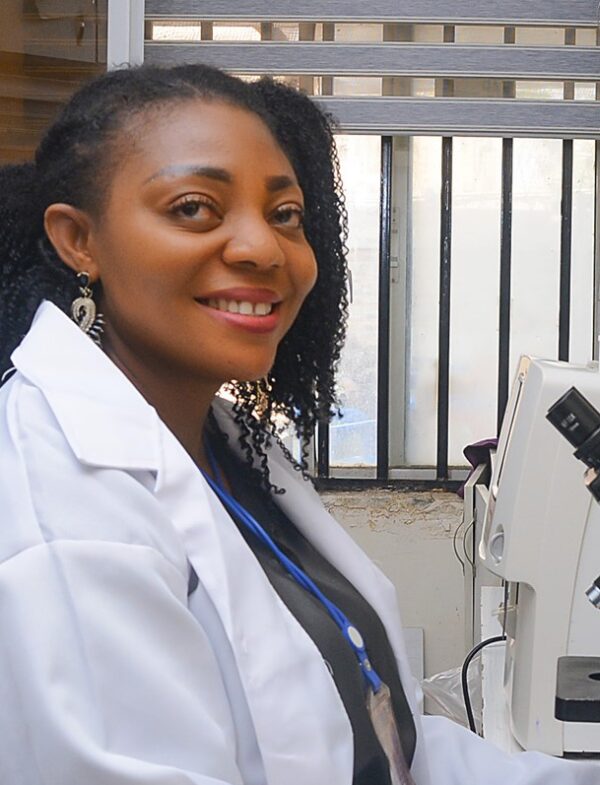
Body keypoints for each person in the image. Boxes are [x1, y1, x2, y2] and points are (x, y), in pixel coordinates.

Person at [0, 64, 597, 785]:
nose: (263, 247)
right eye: (194, 207)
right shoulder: (58, 506)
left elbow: (389, 743)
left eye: (285, 214)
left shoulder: (225, 446)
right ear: (79, 240)